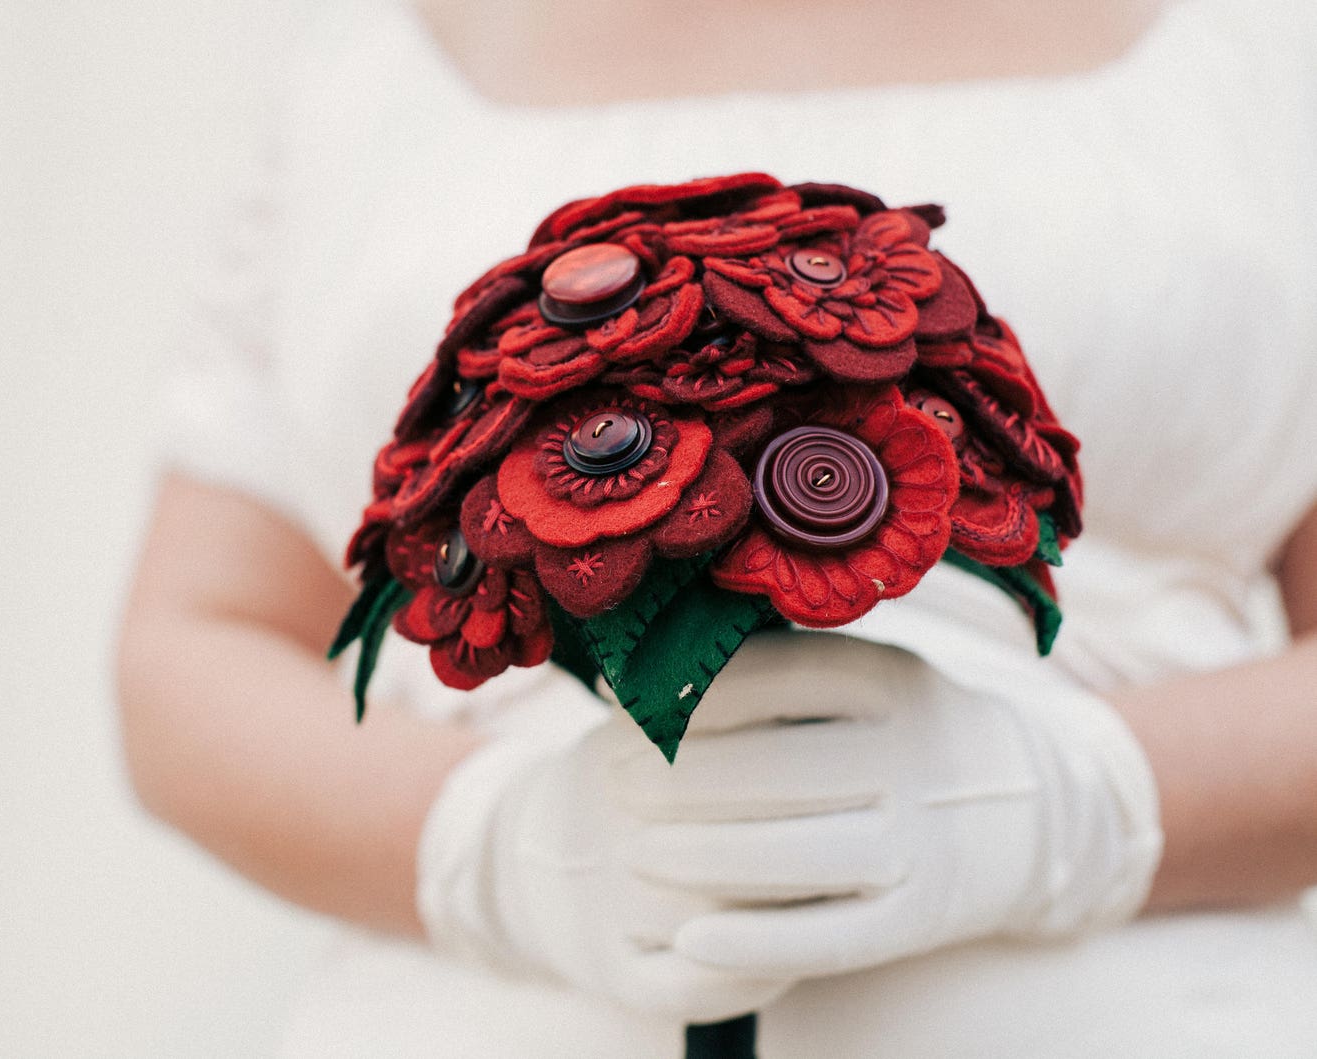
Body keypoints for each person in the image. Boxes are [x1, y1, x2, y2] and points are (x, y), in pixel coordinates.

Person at [116, 0, 1317, 1054]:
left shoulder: (1259, 56)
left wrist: (1073, 802)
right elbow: (196, 641)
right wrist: (495, 854)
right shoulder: (371, 61)